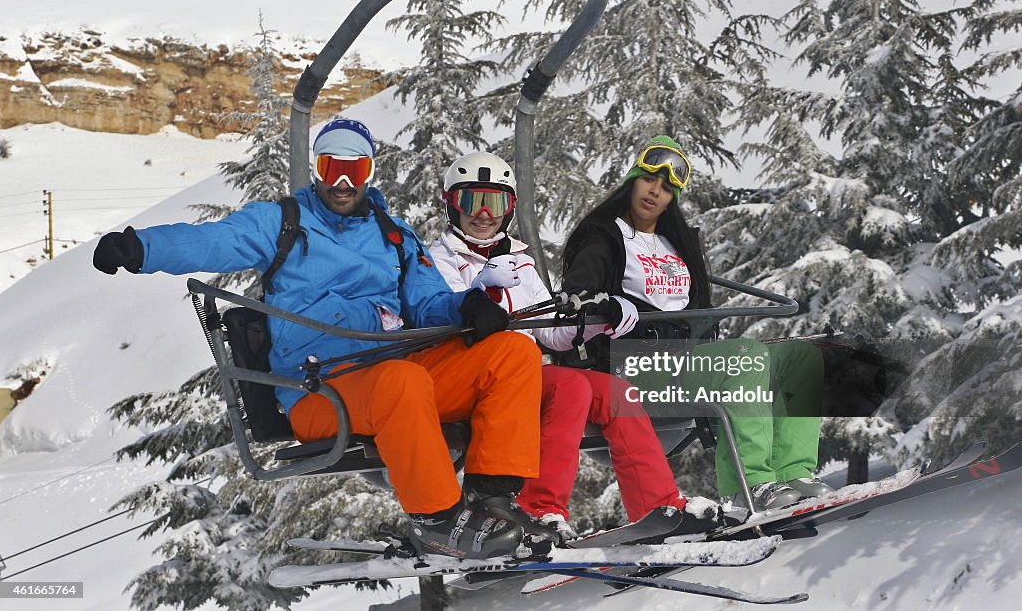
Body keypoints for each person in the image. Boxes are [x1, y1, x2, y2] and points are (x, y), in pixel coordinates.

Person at [92, 118, 544, 559]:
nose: (343, 182)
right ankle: (437, 520)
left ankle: (492, 500)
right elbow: (213, 240)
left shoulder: (393, 234)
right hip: (319, 390)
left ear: (370, 172)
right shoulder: (283, 223)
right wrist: (141, 248)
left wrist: (466, 306)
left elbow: (427, 301)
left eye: (356, 170)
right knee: (400, 382)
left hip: (394, 373)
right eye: (332, 168)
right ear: (316, 168)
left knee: (512, 353)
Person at [428, 152, 721, 540]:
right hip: (474, 378)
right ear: (452, 203)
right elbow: (440, 318)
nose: (483, 213)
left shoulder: (520, 262)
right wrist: (482, 287)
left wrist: (596, 322)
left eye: (495, 201)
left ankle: (657, 504)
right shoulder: (436, 260)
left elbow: (549, 333)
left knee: (617, 393)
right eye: (471, 200)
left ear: (509, 208)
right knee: (572, 386)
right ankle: (537, 508)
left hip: (526, 372)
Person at [559, 137, 833, 510]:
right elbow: (579, 296)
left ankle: (793, 472)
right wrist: (611, 307)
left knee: (803, 356)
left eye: (668, 188)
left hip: (685, 360)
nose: (656, 192)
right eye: (650, 180)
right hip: (633, 365)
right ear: (633, 180)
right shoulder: (605, 237)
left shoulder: (678, 244)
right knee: (742, 357)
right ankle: (750, 482)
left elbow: (699, 308)